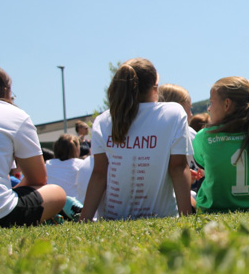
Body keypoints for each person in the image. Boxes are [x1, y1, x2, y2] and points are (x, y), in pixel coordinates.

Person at [80, 59, 193, 221]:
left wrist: (84, 219)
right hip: (161, 216)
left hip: (113, 218)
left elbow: (99, 174)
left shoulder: (103, 121)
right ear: (155, 87)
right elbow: (178, 168)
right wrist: (186, 218)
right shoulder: (174, 113)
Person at [192, 76, 249, 212]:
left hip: (214, 209)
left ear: (227, 104)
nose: (208, 109)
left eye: (211, 103)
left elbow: (201, 164)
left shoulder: (204, 136)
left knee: (205, 175)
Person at [0, 67, 66, 227]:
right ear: (6, 90)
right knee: (57, 192)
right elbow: (38, 179)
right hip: (2, 214)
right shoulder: (14, 115)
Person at [46, 134, 84, 199]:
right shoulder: (81, 164)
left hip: (52, 202)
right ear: (76, 149)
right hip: (74, 203)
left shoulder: (48, 164)